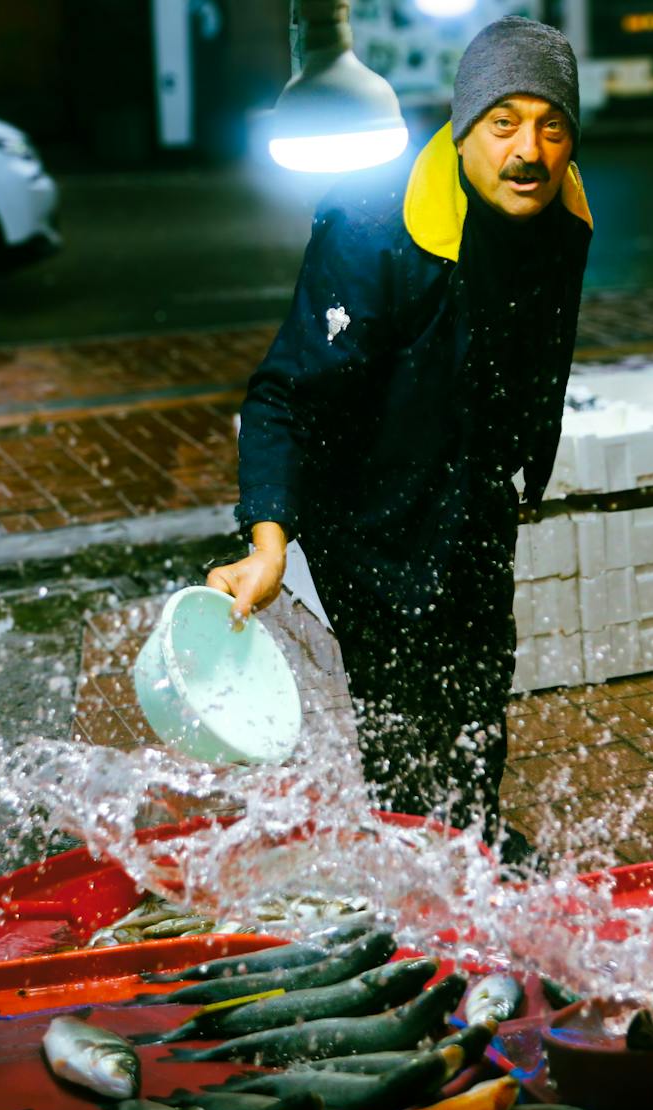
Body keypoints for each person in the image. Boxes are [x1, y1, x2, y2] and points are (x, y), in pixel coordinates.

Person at [208, 18, 592, 860]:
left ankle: (473, 843)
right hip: (372, 515)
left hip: (474, 495)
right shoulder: (373, 227)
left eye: (551, 125)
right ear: (463, 130)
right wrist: (268, 542)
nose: (528, 149)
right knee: (407, 713)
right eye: (504, 123)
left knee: (481, 687)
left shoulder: (561, 213)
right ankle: (416, 872)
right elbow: (283, 393)